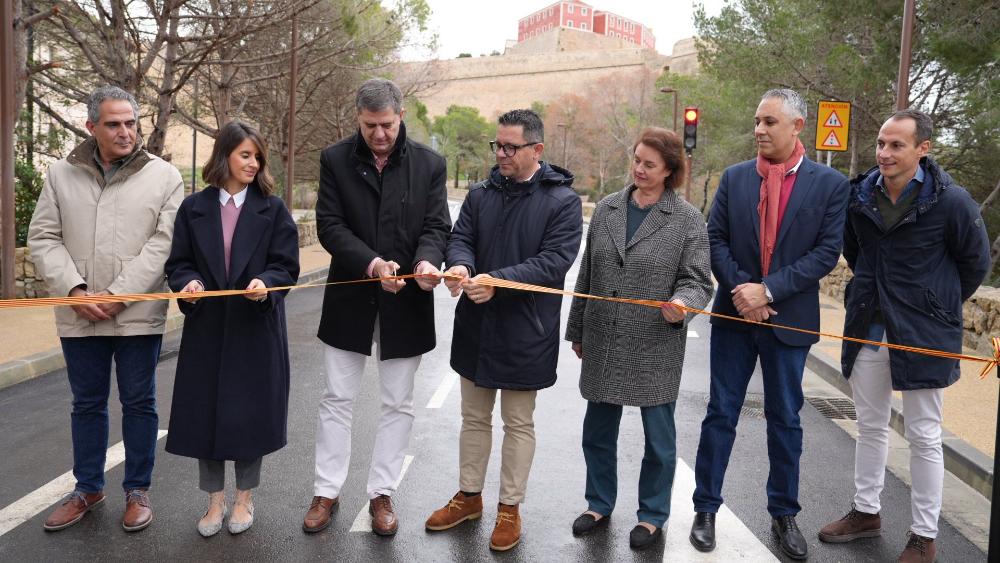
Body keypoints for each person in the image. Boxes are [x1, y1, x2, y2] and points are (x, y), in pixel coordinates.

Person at [817, 110, 989, 563]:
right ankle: (866, 512)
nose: (885, 153)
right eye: (881, 143)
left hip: (924, 331)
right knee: (870, 426)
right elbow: (854, 251)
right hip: (868, 326)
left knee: (924, 435)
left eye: (896, 145)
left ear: (923, 149)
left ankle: (923, 537)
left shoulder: (952, 201)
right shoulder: (860, 195)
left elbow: (974, 264)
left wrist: (935, 303)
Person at [689, 88, 849, 560]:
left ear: (797, 126)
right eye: (757, 121)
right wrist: (744, 291)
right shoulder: (736, 178)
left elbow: (826, 252)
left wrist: (769, 290)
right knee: (721, 413)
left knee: (786, 419)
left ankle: (784, 514)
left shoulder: (829, 185)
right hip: (735, 316)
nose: (758, 129)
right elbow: (715, 238)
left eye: (769, 122)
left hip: (789, 318)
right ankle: (705, 509)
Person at [424, 108, 583, 552]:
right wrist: (460, 265)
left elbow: (555, 262)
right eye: (498, 145)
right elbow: (462, 238)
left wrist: (500, 282)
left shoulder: (563, 202)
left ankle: (509, 508)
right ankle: (469, 497)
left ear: (538, 149)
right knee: (473, 418)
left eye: (511, 147)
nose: (502, 154)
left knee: (518, 422)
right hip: (476, 324)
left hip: (526, 329)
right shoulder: (480, 194)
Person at [28, 85, 184, 532]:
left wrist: (119, 294)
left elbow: (164, 243)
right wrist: (75, 291)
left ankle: (137, 489)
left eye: (131, 122)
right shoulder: (60, 174)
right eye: (113, 124)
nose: (125, 132)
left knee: (139, 403)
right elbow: (43, 237)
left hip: (136, 313)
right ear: (91, 126)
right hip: (79, 312)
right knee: (87, 404)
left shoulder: (164, 176)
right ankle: (88, 488)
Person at [304, 77, 451, 536]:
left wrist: (426, 261)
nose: (380, 134)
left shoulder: (430, 164)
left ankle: (382, 494)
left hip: (407, 301)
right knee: (336, 400)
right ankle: (326, 491)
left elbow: (437, 225)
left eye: (386, 124)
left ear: (401, 115)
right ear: (358, 119)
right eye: (370, 126)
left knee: (397, 404)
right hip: (351, 294)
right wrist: (370, 263)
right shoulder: (334, 159)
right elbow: (328, 225)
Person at [565, 127, 713, 550]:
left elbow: (698, 281)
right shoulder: (609, 208)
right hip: (604, 336)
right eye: (636, 160)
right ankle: (599, 502)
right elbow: (587, 274)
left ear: (670, 170)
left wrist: (681, 303)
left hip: (654, 342)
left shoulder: (686, 220)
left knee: (659, 440)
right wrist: (577, 329)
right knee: (597, 430)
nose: (639, 169)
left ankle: (651, 515)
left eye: (650, 164)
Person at [164, 121, 300, 536]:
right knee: (205, 413)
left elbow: (285, 266)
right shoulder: (193, 208)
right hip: (207, 330)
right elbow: (179, 264)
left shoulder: (272, 208)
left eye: (258, 156)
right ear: (224, 156)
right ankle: (214, 502)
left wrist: (268, 285)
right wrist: (187, 284)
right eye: (245, 155)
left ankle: (244, 499)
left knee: (249, 415)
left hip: (254, 328)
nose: (254, 163)